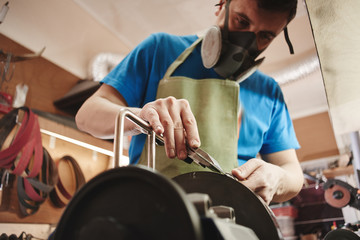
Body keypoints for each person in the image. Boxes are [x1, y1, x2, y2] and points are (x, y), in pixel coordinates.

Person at [76, 0, 304, 204]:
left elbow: (292, 172)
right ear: (222, 5)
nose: (247, 41)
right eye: (241, 21)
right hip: (150, 213)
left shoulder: (269, 91)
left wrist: (278, 178)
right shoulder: (160, 49)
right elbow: (86, 115)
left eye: (265, 36)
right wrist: (140, 117)